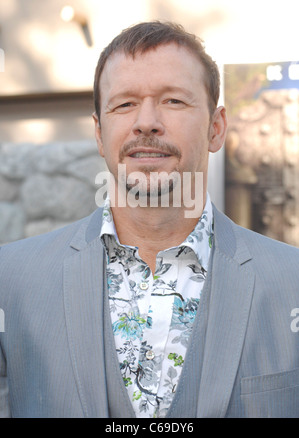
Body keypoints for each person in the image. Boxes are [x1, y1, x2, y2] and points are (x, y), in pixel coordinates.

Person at [0, 21, 299, 419]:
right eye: (124, 104)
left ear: (216, 127)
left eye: (174, 101)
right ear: (100, 134)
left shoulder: (291, 282)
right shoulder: (10, 280)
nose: (146, 121)